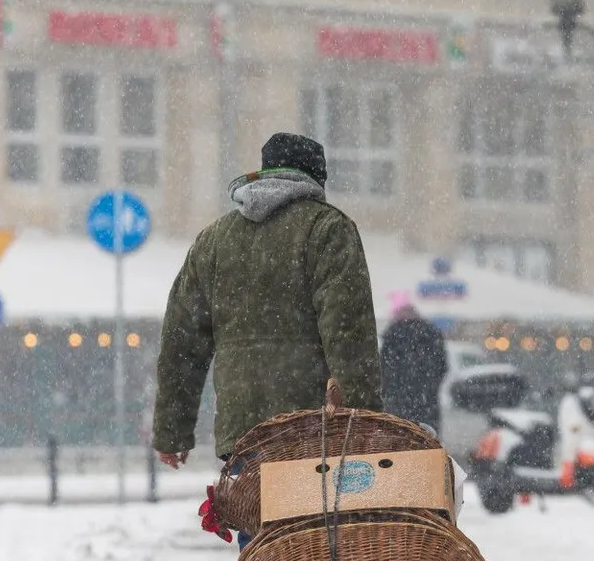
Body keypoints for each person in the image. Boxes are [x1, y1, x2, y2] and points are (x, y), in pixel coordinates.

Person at [152, 132, 383, 467]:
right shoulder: (327, 228)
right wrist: (366, 424)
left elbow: (181, 342)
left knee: (259, 516)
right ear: (317, 179)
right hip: (315, 430)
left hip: (242, 431)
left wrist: (171, 432)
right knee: (314, 519)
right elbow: (348, 333)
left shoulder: (214, 239)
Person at [379, 303, 448, 435]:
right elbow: (442, 366)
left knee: (398, 437)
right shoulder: (431, 332)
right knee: (427, 436)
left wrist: (389, 387)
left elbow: (383, 366)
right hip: (426, 399)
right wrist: (431, 385)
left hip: (398, 397)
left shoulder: (393, 333)